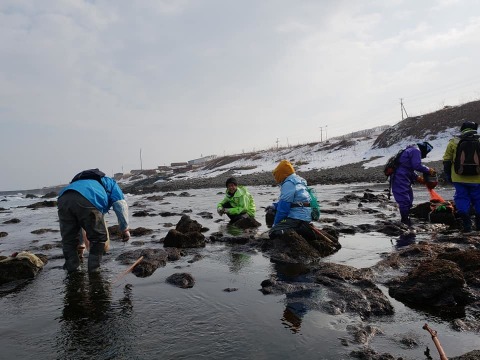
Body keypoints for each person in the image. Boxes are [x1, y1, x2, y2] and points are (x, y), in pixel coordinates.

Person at [57, 169, 130, 273]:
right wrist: (125, 229)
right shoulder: (109, 182)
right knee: (98, 238)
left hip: (63, 197)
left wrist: (81, 244)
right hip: (89, 199)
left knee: (68, 240)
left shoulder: (77, 183)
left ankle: (73, 270)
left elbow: (79, 223)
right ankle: (94, 270)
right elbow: (120, 205)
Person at [443, 121, 480, 232]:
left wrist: (448, 176)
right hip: (478, 178)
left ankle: (466, 223)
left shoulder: (454, 141)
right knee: (478, 198)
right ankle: (479, 226)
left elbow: (447, 160)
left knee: (461, 197)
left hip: (458, 177)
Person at [390, 141, 436, 226]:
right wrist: (428, 170)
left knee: (409, 200)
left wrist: (418, 178)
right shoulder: (416, 151)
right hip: (400, 178)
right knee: (404, 200)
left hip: (403, 178)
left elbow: (408, 168)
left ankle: (406, 220)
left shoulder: (410, 150)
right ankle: (405, 221)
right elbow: (416, 166)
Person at [268, 160, 313, 239]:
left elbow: (283, 208)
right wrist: (274, 205)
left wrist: (275, 225)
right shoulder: (299, 180)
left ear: (281, 173)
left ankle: (297, 230)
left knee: (273, 233)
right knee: (273, 210)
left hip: (296, 217)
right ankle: (301, 227)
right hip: (305, 216)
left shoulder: (289, 184)